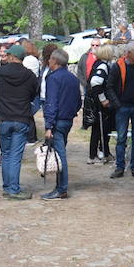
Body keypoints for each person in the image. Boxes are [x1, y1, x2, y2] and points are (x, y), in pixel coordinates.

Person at [0, 44, 39, 200]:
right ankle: (13, 188)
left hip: (4, 117)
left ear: (11, 56)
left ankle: (7, 186)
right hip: (22, 117)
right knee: (16, 155)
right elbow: (33, 95)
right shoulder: (30, 76)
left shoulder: (1, 72)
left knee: (6, 154)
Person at [107, 42, 134, 179]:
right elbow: (109, 86)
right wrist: (118, 104)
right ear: (129, 53)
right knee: (121, 138)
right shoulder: (117, 67)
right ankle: (119, 167)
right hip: (122, 107)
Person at [41, 48, 79, 200]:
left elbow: (52, 103)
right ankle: (59, 186)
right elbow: (78, 101)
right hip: (67, 120)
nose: (48, 61)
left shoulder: (53, 78)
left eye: (50, 59)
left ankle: (61, 188)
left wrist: (49, 125)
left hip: (57, 121)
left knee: (59, 156)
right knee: (60, 153)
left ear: (55, 61)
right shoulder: (72, 78)